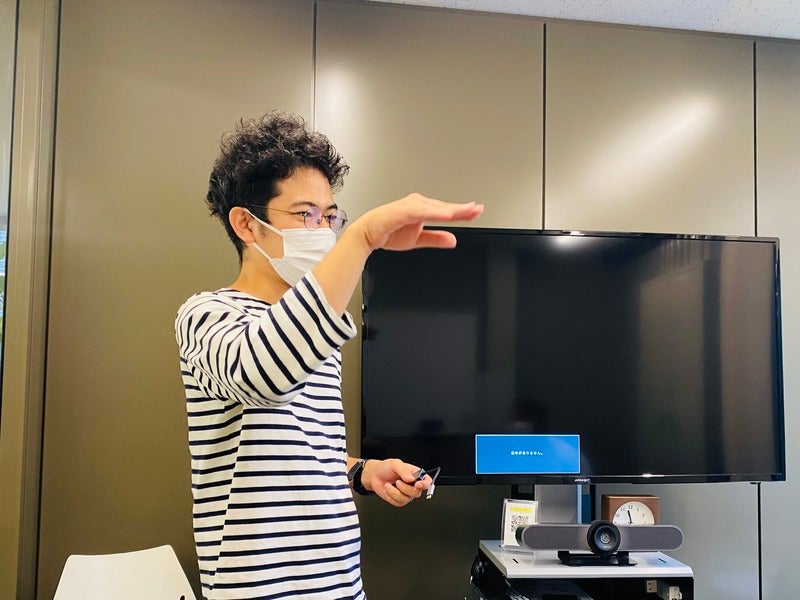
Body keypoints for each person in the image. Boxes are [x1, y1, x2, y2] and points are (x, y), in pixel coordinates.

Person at [174, 111, 484, 600]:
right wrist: (362, 239)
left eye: (330, 216)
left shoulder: (315, 328)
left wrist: (362, 471)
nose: (324, 229)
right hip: (259, 587)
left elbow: (302, 448)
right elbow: (262, 376)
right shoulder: (206, 315)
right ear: (246, 224)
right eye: (306, 215)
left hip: (340, 581)